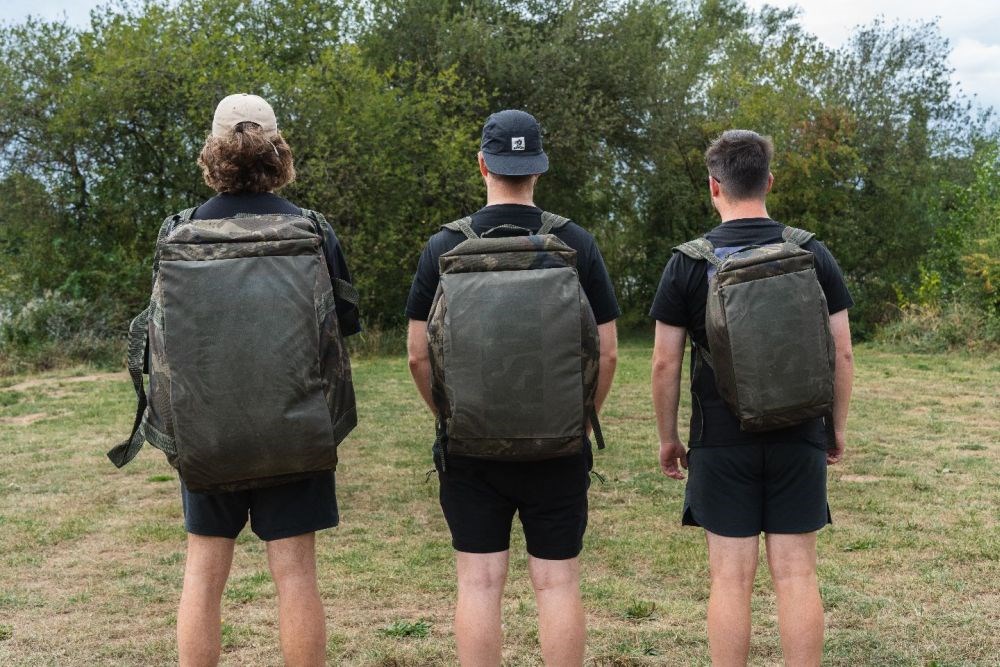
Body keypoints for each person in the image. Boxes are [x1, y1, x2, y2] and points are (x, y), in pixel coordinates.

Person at [406, 109, 620, 666]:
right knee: (558, 584)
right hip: (558, 445)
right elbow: (608, 351)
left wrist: (449, 417)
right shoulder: (576, 242)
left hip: (470, 446)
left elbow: (417, 354)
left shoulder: (443, 246)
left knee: (479, 583)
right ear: (538, 169)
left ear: (483, 164)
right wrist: (579, 419)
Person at [650, 129, 854, 666]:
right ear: (769, 180)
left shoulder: (688, 263)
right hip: (799, 434)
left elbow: (665, 362)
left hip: (719, 442)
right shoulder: (811, 252)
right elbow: (842, 352)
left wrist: (669, 437)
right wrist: (835, 428)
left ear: (713, 186)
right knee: (797, 575)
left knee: (730, 579)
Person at [175, 94, 360, 667]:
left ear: (213, 151)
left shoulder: (180, 231)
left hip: (208, 430)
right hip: (295, 426)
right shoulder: (312, 229)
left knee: (203, 574)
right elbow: (344, 326)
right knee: (296, 575)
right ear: (278, 149)